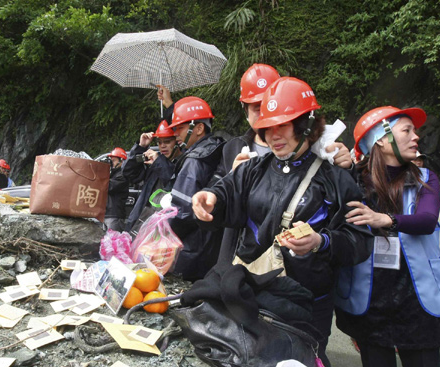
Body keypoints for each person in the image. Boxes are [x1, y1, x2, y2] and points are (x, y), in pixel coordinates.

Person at [192, 77, 373, 367]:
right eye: (268, 126)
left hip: (306, 304)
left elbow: (360, 240)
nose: (273, 135)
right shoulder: (253, 169)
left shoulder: (336, 180)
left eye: (283, 125)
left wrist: (322, 241)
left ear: (307, 125)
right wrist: (209, 199)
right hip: (251, 295)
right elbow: (225, 194)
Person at [336, 105, 440, 367]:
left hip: (417, 303)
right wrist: (337, 165)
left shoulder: (426, 177)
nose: (416, 137)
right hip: (370, 302)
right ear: (381, 140)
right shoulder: (354, 182)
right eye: (407, 131)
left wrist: (384, 219)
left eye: (415, 131)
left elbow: (426, 220)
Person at [217, 63, 353, 264]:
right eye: (257, 108)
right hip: (245, 260)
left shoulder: (319, 150)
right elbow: (219, 199)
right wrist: (233, 182)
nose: (268, 111)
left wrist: (348, 166)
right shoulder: (232, 148)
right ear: (244, 110)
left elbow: (350, 225)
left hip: (301, 274)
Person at [167, 96, 225, 281]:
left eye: (180, 127)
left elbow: (182, 212)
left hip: (191, 249)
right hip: (211, 248)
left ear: (199, 128)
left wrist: (163, 234)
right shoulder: (216, 150)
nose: (175, 133)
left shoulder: (194, 160)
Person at [122, 121, 183, 232]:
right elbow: (128, 173)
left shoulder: (184, 163)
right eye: (159, 143)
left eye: (167, 142)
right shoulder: (156, 163)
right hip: (143, 222)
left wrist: (159, 161)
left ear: (178, 142)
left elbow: (173, 182)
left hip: (165, 228)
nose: (162, 146)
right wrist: (141, 147)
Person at [104, 147, 129, 232]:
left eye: (113, 160)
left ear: (121, 161)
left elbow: (109, 186)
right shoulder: (113, 174)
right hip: (107, 214)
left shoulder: (122, 175)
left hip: (115, 215)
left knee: (114, 241)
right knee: (106, 242)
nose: (111, 163)